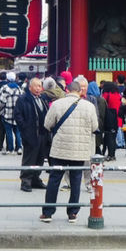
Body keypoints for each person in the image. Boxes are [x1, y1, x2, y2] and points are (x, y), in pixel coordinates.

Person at [40, 79, 98, 223]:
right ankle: (72, 213)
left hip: (59, 149)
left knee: (54, 180)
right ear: (80, 91)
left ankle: (48, 212)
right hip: (79, 150)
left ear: (67, 90)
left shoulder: (56, 104)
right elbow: (94, 127)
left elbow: (47, 124)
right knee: (76, 180)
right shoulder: (89, 106)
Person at [14, 76, 50, 192]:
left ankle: (35, 178)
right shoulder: (23, 99)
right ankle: (26, 180)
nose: (39, 88)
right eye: (37, 86)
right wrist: (24, 129)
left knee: (39, 158)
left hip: (42, 133)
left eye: (40, 86)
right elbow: (18, 115)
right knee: (29, 158)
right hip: (30, 133)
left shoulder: (43, 99)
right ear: (30, 87)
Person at [0, 71, 22, 154]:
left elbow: (1, 101)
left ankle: (10, 149)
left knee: (9, 132)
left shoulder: (5, 88)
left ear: (7, 79)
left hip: (7, 113)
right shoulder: (19, 88)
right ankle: (19, 148)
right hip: (17, 114)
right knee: (17, 132)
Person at [101, 81, 121, 162]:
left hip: (109, 119)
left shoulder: (106, 95)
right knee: (113, 136)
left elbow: (103, 105)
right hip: (118, 118)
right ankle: (111, 154)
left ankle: (110, 155)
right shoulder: (118, 95)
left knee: (109, 138)